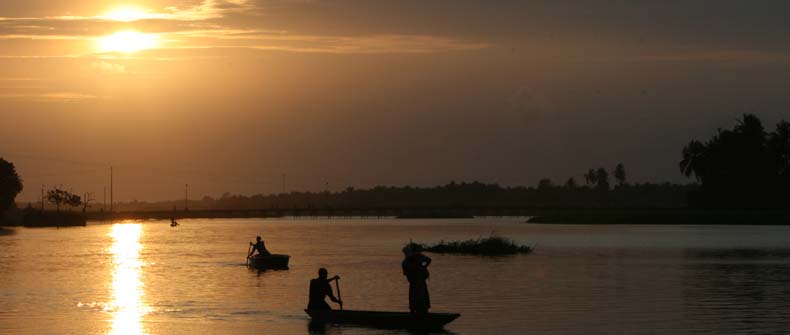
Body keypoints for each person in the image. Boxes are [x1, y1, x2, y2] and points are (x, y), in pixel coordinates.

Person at [402, 244, 431, 314]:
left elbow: (429, 260)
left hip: (420, 282)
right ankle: (413, 312)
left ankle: (423, 312)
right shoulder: (405, 262)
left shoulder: (419, 257)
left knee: (422, 298)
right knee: (414, 298)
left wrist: (423, 267)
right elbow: (406, 274)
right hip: (414, 283)